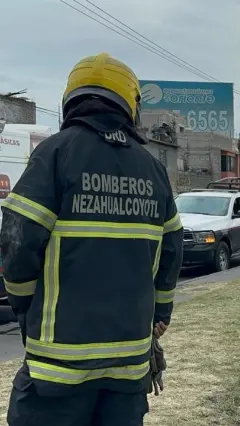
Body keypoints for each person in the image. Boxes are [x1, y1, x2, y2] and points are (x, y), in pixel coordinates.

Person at [1, 52, 184, 426]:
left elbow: (17, 239)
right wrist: (160, 315)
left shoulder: (54, 153)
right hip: (129, 364)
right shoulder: (152, 168)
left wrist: (23, 304)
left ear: (70, 100)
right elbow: (172, 250)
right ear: (129, 105)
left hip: (59, 364)